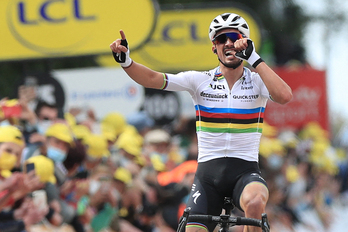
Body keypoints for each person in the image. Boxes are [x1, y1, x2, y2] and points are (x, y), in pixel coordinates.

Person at [110, 12, 292, 232]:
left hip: (245, 173)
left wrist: (254, 58)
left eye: (234, 38)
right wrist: (126, 61)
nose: (228, 43)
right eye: (220, 39)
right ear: (213, 47)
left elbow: (284, 95)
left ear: (245, 42)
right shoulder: (199, 80)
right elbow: (151, 79)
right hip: (207, 179)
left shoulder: (258, 81)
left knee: (255, 203)